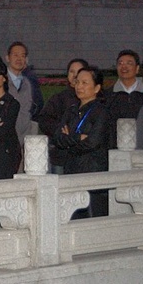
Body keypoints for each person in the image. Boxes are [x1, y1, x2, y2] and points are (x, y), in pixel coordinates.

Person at [53, 66, 109, 218]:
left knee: (92, 217)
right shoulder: (71, 110)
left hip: (92, 170)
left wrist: (69, 140)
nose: (79, 86)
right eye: (77, 82)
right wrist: (77, 138)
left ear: (97, 87)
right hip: (71, 169)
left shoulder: (101, 111)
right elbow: (58, 138)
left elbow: (92, 142)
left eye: (85, 83)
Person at [38, 58, 88, 174]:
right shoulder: (59, 98)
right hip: (61, 156)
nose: (75, 75)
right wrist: (62, 130)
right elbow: (44, 120)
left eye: (79, 71)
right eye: (71, 71)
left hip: (86, 157)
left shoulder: (94, 99)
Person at [107, 49, 143, 149]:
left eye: (129, 63)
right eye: (120, 63)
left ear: (137, 69)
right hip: (115, 151)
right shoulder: (107, 95)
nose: (124, 66)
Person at [5, 42, 38, 144]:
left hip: (25, 138)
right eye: (15, 55)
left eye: (22, 56)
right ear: (7, 58)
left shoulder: (28, 83)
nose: (19, 59)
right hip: (4, 140)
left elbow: (36, 106)